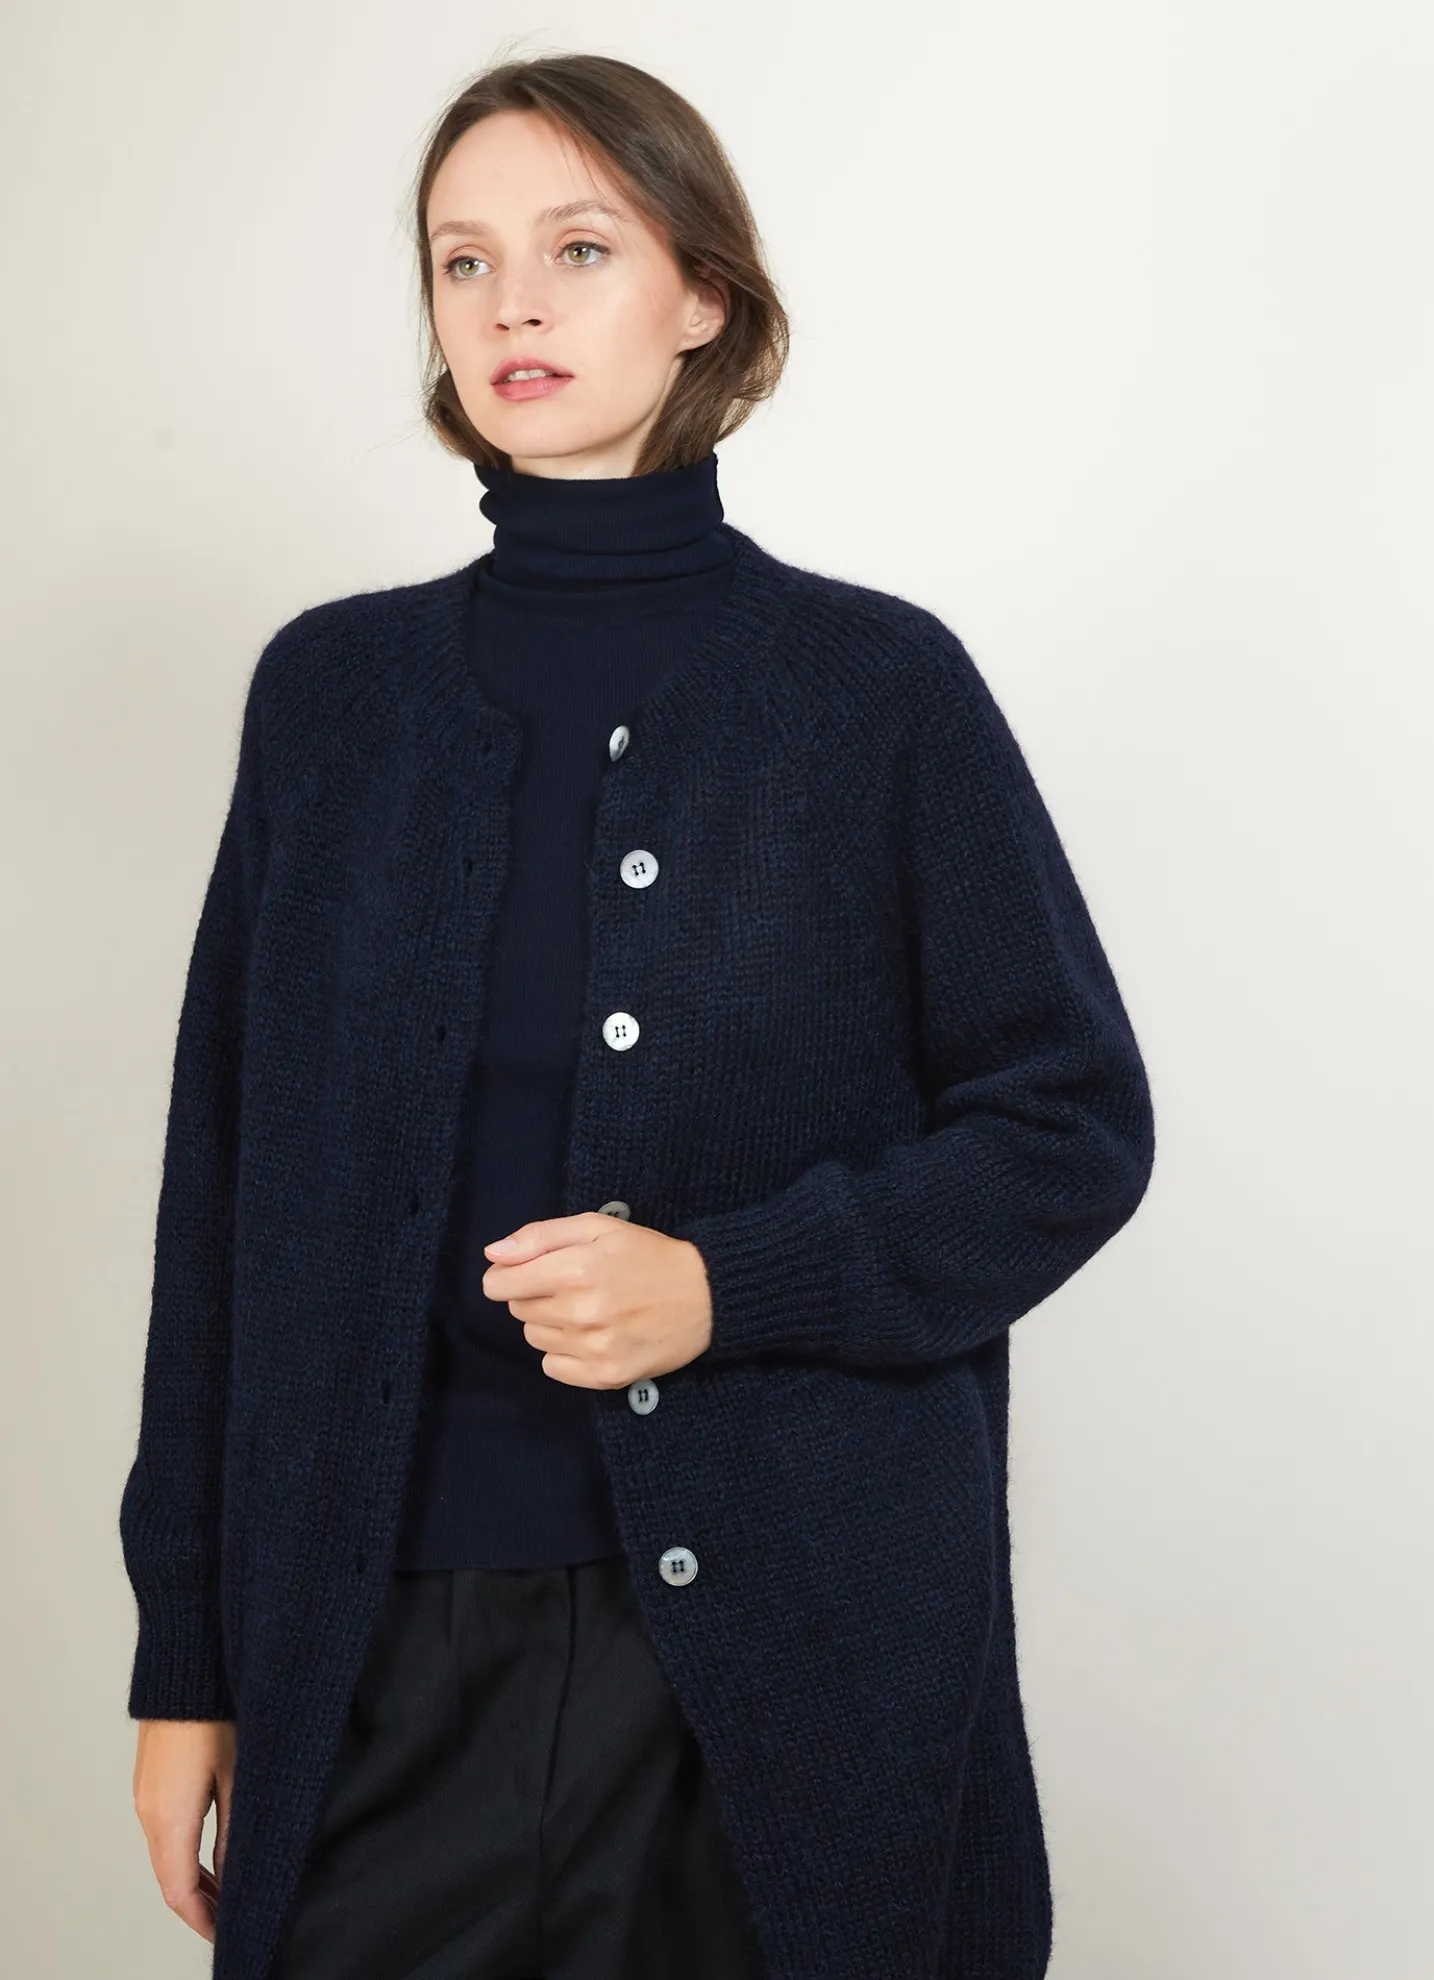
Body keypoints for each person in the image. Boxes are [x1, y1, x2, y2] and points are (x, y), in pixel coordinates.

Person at [121, 51, 1156, 1980]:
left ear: (703, 297)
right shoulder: (333, 700)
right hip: (379, 1641)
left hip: (785, 1655)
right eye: (463, 261)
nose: (510, 304)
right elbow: (223, 1197)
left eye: (579, 249)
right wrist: (188, 1657)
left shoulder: (874, 692)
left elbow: (1070, 1126)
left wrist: (724, 1286)